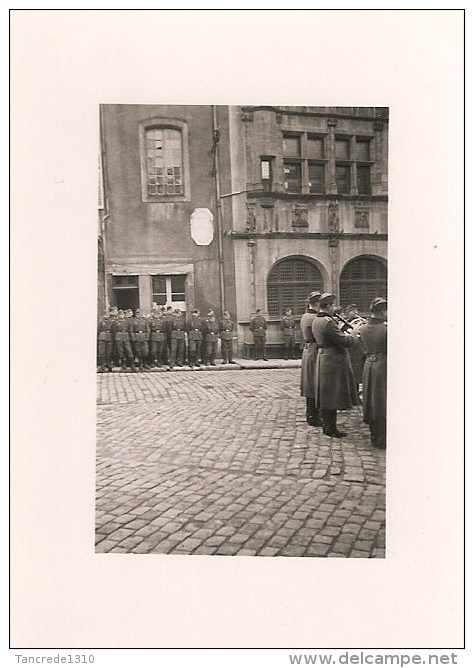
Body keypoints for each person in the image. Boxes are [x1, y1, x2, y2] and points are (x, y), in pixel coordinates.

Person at [311, 293, 359, 437]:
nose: (334, 308)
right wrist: (354, 335)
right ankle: (330, 427)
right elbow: (343, 341)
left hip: (323, 357)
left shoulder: (317, 320)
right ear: (329, 306)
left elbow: (330, 337)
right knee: (332, 394)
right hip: (333, 360)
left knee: (326, 394)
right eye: (332, 306)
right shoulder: (328, 322)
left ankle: (327, 425)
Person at [358, 297, 387, 449]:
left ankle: (374, 435)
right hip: (383, 367)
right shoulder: (386, 329)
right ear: (383, 311)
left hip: (369, 365)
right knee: (382, 401)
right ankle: (382, 438)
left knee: (370, 400)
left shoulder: (363, 328)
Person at [300, 292, 323, 427]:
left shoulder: (305, 316)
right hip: (315, 351)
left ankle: (312, 413)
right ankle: (313, 415)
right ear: (317, 304)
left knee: (310, 383)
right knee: (315, 383)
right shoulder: (314, 318)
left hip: (308, 350)